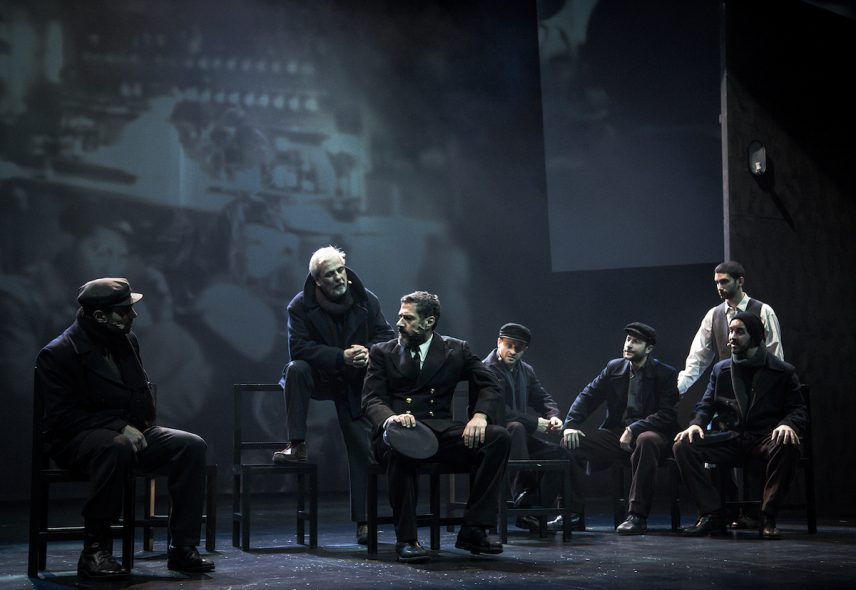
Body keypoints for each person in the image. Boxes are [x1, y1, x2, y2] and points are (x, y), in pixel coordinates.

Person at [35, 278, 214, 579]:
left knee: (190, 445)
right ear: (99, 316)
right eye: (124, 310)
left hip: (129, 432)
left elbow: (136, 394)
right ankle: (94, 551)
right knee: (116, 447)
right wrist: (119, 426)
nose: (133, 315)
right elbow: (62, 418)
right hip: (77, 440)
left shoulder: (126, 341)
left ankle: (182, 547)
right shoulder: (60, 352)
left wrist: (136, 422)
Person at [362, 291, 510, 563]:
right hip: (397, 432)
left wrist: (479, 416)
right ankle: (407, 539)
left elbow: (491, 383)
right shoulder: (382, 351)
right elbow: (371, 399)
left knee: (497, 438)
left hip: (440, 432)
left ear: (429, 321)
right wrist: (390, 419)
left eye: (408, 318)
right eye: (400, 316)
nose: (399, 323)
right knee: (401, 447)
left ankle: (475, 528)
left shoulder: (456, 349)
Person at [273, 246, 395, 544]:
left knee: (361, 447)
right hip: (322, 375)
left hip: (353, 381)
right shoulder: (300, 305)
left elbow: (386, 336)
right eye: (330, 274)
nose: (339, 277)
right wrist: (340, 356)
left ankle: (364, 522)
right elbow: (299, 348)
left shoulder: (366, 299)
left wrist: (368, 352)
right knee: (296, 369)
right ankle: (297, 445)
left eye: (341, 270)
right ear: (317, 280)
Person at [673, 312, 806, 539]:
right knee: (683, 445)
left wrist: (787, 424)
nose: (732, 337)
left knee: (788, 445)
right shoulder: (721, 369)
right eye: (731, 331)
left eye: (739, 332)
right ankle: (712, 513)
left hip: (763, 437)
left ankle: (767, 517)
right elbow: (706, 405)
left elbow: (798, 409)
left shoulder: (782, 371)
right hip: (730, 437)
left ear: (755, 336)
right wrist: (696, 424)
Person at [557, 322, 679, 535]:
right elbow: (588, 396)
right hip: (617, 434)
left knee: (646, 440)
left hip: (653, 434)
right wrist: (571, 425)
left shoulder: (665, 373)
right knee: (570, 443)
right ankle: (572, 513)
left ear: (649, 349)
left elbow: (667, 414)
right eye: (628, 339)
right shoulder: (614, 368)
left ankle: (637, 516)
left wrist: (634, 429)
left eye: (636, 341)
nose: (629, 345)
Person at [482, 322, 568, 531]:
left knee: (559, 454)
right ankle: (523, 497)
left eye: (518, 348)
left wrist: (553, 416)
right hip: (491, 435)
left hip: (518, 438)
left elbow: (542, 397)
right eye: (509, 345)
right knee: (516, 428)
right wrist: (535, 423)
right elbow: (499, 410)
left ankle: (532, 506)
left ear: (524, 350)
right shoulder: (485, 368)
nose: (513, 351)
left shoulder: (526, 370)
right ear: (499, 342)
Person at [678, 260, 783, 396]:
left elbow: (775, 356)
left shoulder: (763, 311)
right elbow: (698, 359)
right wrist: (678, 389)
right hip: (727, 390)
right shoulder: (713, 315)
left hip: (758, 390)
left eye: (724, 282)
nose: (719, 287)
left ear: (740, 281)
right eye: (717, 282)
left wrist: (773, 392)